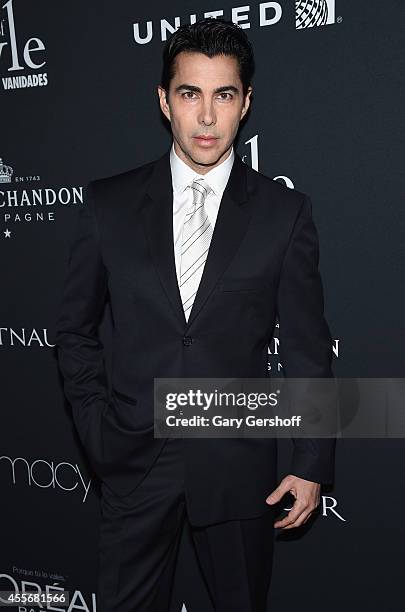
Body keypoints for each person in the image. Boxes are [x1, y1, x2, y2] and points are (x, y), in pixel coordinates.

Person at [55, 17, 336, 612]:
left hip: (239, 466)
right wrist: (97, 427)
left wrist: (311, 460)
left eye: (223, 94)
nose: (207, 117)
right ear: (164, 101)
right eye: (190, 94)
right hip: (132, 460)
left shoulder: (284, 214)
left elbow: (310, 347)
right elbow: (75, 330)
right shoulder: (108, 205)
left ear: (246, 102)